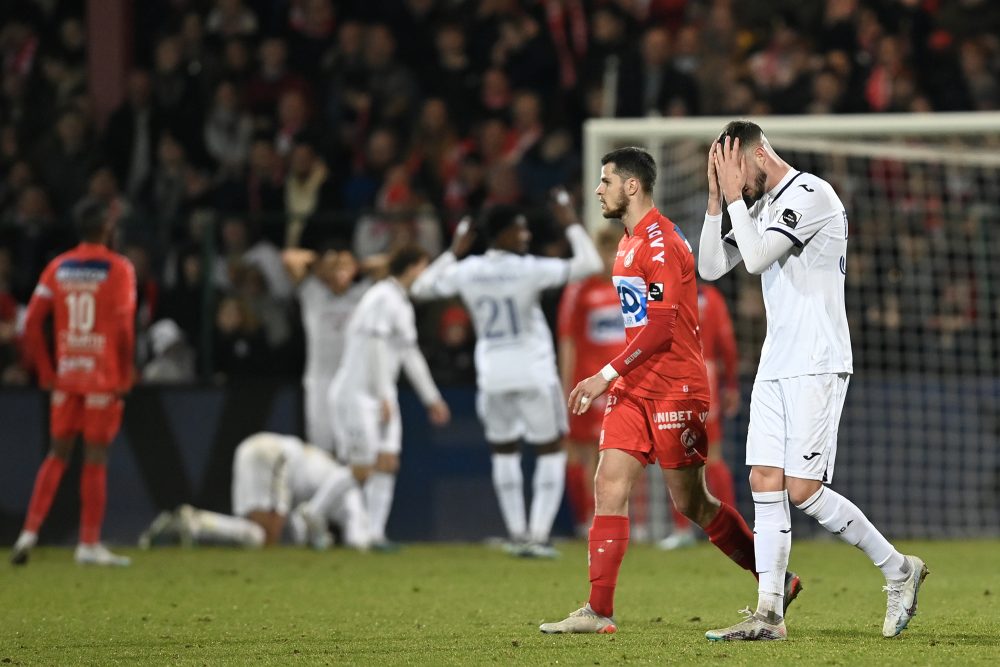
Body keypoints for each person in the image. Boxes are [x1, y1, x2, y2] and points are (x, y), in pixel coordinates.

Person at [539, 147, 799, 635]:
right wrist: (620, 380)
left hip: (675, 389)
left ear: (631, 187)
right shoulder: (627, 240)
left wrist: (603, 376)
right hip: (635, 388)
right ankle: (598, 610)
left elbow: (659, 331)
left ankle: (774, 579)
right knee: (607, 485)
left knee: (692, 504)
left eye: (606, 181)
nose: (599, 190)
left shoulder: (662, 243)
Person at [699, 122, 927, 641]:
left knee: (803, 490)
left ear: (757, 154)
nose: (733, 180)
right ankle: (769, 615)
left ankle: (898, 569)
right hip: (777, 361)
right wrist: (718, 199)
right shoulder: (751, 203)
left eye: (734, 167)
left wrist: (736, 197)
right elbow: (711, 267)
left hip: (817, 359)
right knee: (764, 481)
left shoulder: (811, 193)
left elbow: (755, 260)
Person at [411, 195, 603, 557]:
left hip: (492, 375)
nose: (526, 234)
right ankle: (537, 535)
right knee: (548, 451)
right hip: (532, 371)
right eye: (518, 228)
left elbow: (420, 288)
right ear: (500, 234)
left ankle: (516, 533)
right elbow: (591, 264)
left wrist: (453, 251)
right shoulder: (528, 268)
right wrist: (570, 222)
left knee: (504, 452)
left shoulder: (467, 270)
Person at [11, 198, 137, 567]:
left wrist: (47, 371)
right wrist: (126, 370)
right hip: (102, 375)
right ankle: (88, 543)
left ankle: (28, 534)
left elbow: (31, 323)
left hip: (67, 374)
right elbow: (126, 328)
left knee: (57, 454)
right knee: (95, 458)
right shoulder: (119, 269)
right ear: (107, 229)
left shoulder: (58, 267)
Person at [328, 244, 451, 550]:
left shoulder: (401, 303)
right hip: (358, 392)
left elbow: (409, 354)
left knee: (387, 461)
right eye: (423, 267)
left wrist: (431, 398)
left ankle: (374, 534)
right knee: (363, 466)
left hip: (380, 393)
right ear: (412, 268)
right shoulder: (381, 297)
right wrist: (384, 394)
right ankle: (314, 512)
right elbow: (375, 347)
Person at [138, 432, 371, 551]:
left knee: (256, 535)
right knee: (265, 538)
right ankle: (193, 524)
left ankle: (193, 523)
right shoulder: (348, 489)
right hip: (274, 456)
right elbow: (354, 533)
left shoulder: (322, 466)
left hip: (254, 448)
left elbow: (301, 518)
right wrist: (323, 541)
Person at [658, 282, 740, 550]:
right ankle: (732, 527)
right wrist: (731, 384)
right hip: (705, 376)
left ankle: (682, 530)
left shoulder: (658, 290)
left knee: (675, 455)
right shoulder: (709, 296)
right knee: (713, 456)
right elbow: (726, 341)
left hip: (671, 377)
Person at [556, 225, 625, 537]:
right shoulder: (578, 291)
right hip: (588, 385)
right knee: (587, 456)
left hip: (623, 385)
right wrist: (565, 386)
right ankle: (591, 520)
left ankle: (620, 519)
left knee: (622, 455)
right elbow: (567, 341)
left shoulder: (629, 287)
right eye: (603, 251)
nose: (608, 258)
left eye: (614, 251)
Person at [282, 245, 368, 453]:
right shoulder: (313, 293)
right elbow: (288, 258)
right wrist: (320, 263)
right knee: (321, 448)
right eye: (334, 266)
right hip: (320, 381)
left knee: (355, 450)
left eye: (345, 266)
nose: (339, 271)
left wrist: (359, 265)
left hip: (354, 382)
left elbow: (390, 266)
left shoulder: (363, 294)